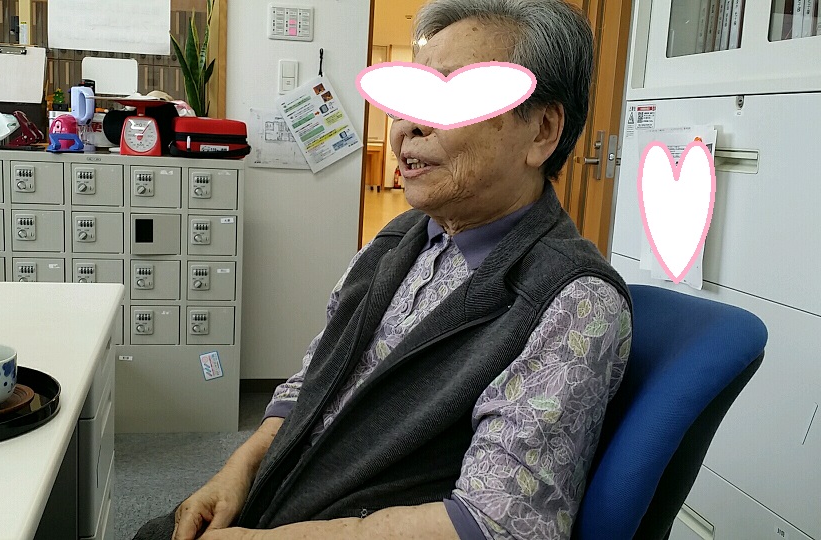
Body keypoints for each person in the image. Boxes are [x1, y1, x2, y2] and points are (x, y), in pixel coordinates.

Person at [135, 0, 631, 538]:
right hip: (277, 496)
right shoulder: (397, 241)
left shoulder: (572, 302)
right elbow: (311, 380)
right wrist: (236, 471)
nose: (406, 129)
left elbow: (495, 524)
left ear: (542, 131)